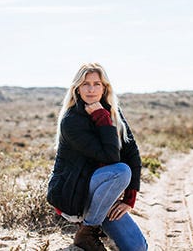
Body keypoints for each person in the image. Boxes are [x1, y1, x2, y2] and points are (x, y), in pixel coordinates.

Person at [47, 63, 148, 251]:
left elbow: (132, 152)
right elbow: (110, 158)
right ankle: (87, 231)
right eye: (85, 84)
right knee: (120, 171)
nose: (91, 89)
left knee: (138, 247)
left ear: (105, 88)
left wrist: (129, 198)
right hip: (74, 193)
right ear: (77, 88)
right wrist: (101, 117)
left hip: (102, 193)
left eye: (97, 84)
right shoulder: (71, 121)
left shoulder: (113, 113)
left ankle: (94, 224)